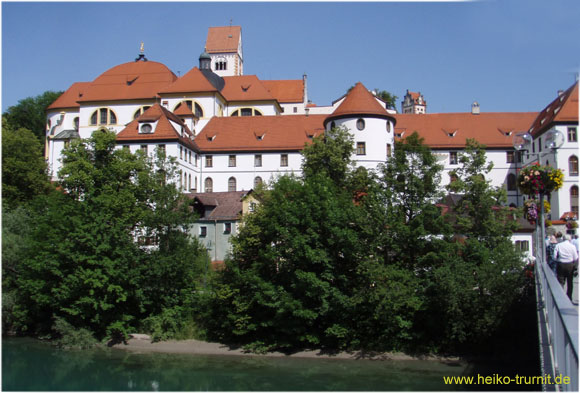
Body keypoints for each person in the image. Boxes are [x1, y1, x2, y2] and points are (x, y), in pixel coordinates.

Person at [553, 234, 579, 301]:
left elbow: (554, 257)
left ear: (563, 239)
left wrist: (558, 260)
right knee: (570, 282)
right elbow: (576, 257)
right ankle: (569, 297)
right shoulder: (572, 246)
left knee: (561, 281)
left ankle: (561, 297)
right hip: (570, 265)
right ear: (570, 239)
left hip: (561, 264)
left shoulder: (558, 245)